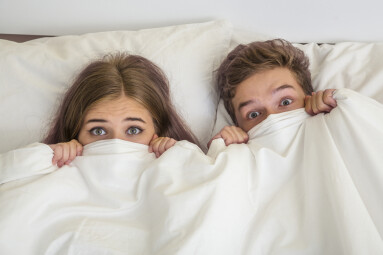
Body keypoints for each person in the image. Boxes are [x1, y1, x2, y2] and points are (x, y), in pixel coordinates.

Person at [44, 53, 200, 167]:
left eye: (133, 130)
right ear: (74, 134)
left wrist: (183, 156)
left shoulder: (185, 168)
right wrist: (45, 159)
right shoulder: (53, 175)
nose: (116, 144)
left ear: (160, 130)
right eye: (98, 131)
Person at [208, 39, 337, 147]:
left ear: (309, 97)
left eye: (285, 102)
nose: (272, 119)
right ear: (238, 126)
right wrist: (220, 154)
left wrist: (341, 108)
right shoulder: (234, 160)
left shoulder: (336, 125)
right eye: (254, 114)